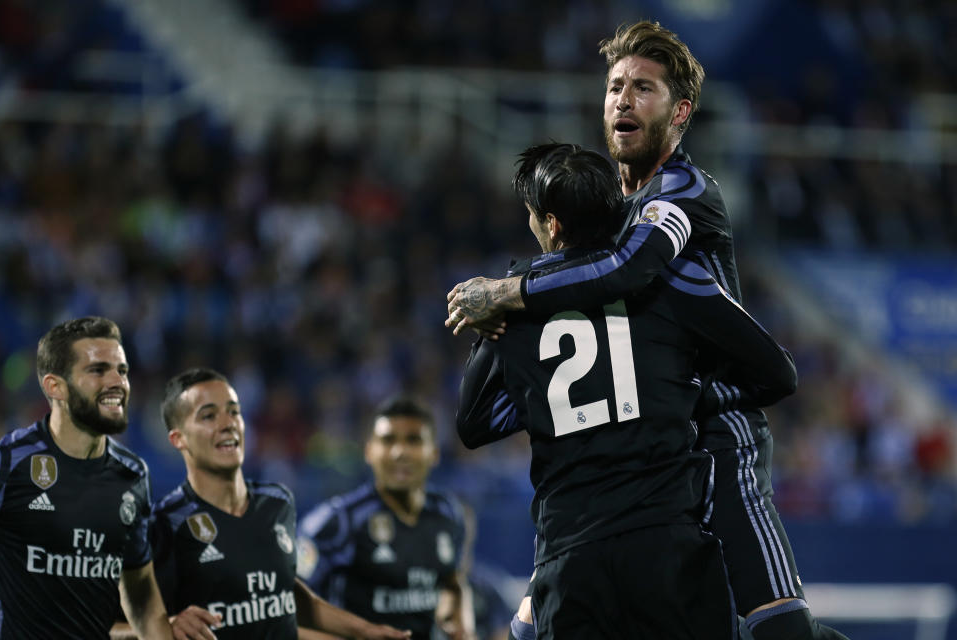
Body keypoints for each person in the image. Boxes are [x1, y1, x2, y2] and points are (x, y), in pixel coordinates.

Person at [446, 21, 848, 640]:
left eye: (642, 88)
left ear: (680, 111)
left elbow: (629, 270)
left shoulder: (682, 191)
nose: (622, 100)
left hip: (717, 438)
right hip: (635, 459)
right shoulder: (609, 217)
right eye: (613, 87)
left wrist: (509, 293)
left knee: (779, 633)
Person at [456, 141, 798, 639]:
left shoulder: (513, 298)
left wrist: (546, 400)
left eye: (532, 216)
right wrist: (680, 385)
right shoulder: (667, 278)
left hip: (568, 557)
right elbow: (778, 374)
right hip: (668, 548)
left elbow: (473, 424)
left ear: (551, 224)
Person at [149, 367, 412, 640]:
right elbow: (113, 622)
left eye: (234, 411)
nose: (228, 423)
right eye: (208, 416)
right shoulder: (167, 523)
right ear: (178, 438)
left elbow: (285, 597)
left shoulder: (277, 502)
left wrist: (366, 631)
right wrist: (166, 625)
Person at [0, 316, 177, 638]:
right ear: (55, 386)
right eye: (98, 370)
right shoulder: (10, 463)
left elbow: (141, 594)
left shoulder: (132, 475)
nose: (117, 382)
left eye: (121, 370)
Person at [297, 395, 476, 640]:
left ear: (434, 453)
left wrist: (462, 626)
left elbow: (454, 582)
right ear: (369, 451)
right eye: (388, 440)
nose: (399, 452)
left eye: (413, 440)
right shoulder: (336, 522)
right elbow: (286, 612)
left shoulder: (447, 513)